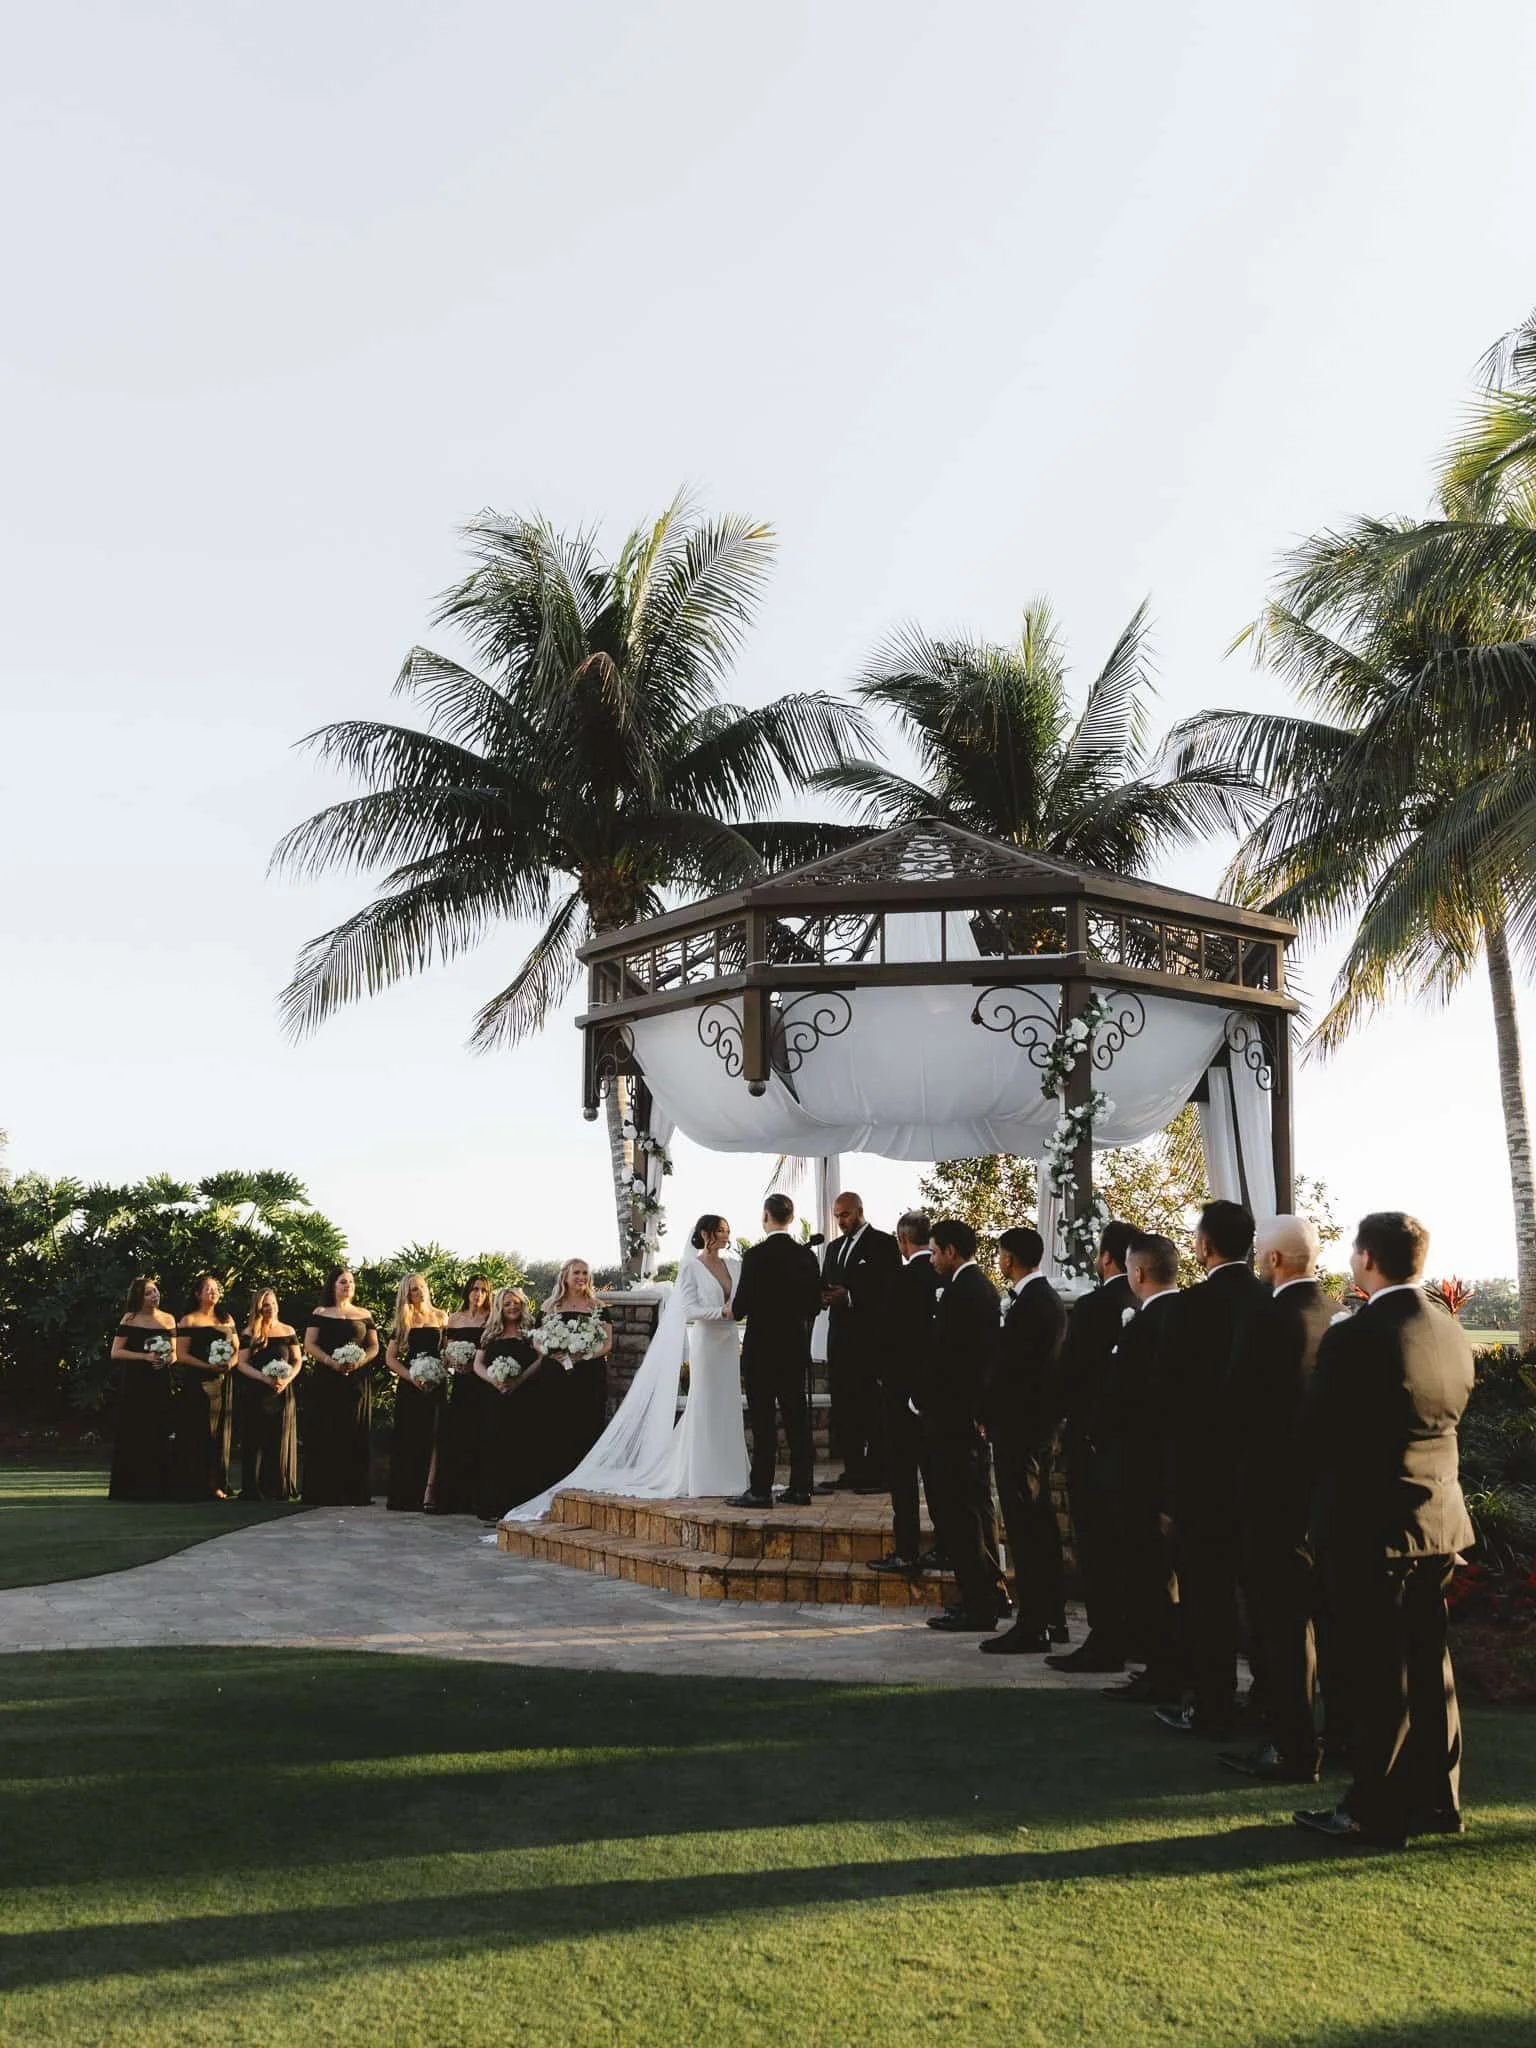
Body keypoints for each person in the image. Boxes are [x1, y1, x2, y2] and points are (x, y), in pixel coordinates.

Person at [1294, 1212, 1475, 1850]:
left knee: (1376, 1671)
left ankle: (1373, 1810)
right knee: (1429, 1663)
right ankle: (1438, 1799)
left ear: (1367, 1258)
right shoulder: (1449, 1328)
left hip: (1371, 1524)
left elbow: (1318, 1430)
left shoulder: (1357, 1335)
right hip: (1438, 1516)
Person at [1218, 1215, 1335, 1785]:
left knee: (1279, 1625)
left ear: (1273, 1260)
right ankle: (1336, 1735)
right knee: (1323, 1621)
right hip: (1326, 1494)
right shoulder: (1336, 1314)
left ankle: (1291, 1746)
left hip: (1270, 1494)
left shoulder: (1266, 1318)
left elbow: (1235, 1408)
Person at [1152, 1199, 1265, 1739]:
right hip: (1261, 1475)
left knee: (1206, 1597)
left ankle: (1212, 1704)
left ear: (1206, 1245)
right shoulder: (1270, 1300)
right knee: (1264, 1600)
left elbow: (1167, 1396)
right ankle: (1267, 1704)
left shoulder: (1190, 1307)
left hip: (1203, 1477)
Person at [1096, 1232, 1186, 1705]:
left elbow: (1121, 1402)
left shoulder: (1143, 1328)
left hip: (1141, 1472)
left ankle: (1162, 1671)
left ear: (1137, 1273)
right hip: (1184, 1469)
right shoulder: (1194, 1317)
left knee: (1149, 1575)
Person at [1046, 1220, 1137, 1673]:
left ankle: (1105, 1642)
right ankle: (1143, 1637)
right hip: (1143, 1449)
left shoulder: (1094, 1306)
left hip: (1094, 1442)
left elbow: (1069, 1373)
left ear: (1106, 1258)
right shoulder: (1150, 1302)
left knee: (1098, 1547)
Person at [916, 1220, 1009, 1632]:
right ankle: (991, 1592)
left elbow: (950, 1360)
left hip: (953, 1419)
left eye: (935, 1251)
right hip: (967, 1417)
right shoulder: (983, 1288)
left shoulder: (960, 1293)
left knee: (960, 1513)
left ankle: (978, 1605)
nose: (931, 1259)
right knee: (978, 1508)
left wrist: (922, 1399)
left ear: (951, 1252)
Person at [981, 1226, 1068, 1656]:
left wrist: (986, 1414)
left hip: (1020, 1430)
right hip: (1038, 1429)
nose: (998, 1260)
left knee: (1025, 1526)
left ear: (1010, 1258)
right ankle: (1052, 1618)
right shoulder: (1045, 1300)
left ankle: (1033, 1625)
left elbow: (1013, 1372)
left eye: (1000, 1253)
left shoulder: (1031, 1305)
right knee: (1040, 1523)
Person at [730, 1194, 822, 1507]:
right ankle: (801, 1488)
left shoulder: (756, 1256)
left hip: (761, 1351)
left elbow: (740, 1307)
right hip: (794, 1349)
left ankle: (760, 1490)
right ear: (791, 1218)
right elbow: (814, 1306)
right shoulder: (806, 1257)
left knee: (763, 1422)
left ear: (765, 1217)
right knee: (797, 1420)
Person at [870, 1210, 943, 1574]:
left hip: (901, 1392)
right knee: (936, 1474)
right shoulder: (944, 1275)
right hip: (937, 1393)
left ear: (902, 1240)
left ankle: (907, 1550)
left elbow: (887, 1335)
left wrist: (882, 1376)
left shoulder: (900, 1279)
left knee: (903, 1474)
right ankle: (945, 1546)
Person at [819, 1191, 901, 1492]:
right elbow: (826, 1281)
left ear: (859, 1211)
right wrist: (823, 1296)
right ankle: (853, 1470)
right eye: (837, 1216)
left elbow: (890, 1289)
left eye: (845, 1215)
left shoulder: (883, 1244)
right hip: (839, 1341)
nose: (841, 1221)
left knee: (871, 1408)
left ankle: (879, 1473)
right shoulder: (833, 1248)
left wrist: (851, 1296)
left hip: (869, 1342)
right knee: (844, 1408)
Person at [671, 1216, 750, 1497]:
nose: (726, 1235)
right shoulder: (691, 1267)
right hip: (706, 1342)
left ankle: (731, 1474)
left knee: (728, 1404)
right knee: (705, 1402)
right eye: (720, 1231)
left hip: (729, 1341)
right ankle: (703, 1476)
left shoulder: (734, 1265)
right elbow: (689, 1310)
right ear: (705, 1234)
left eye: (728, 1231)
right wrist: (720, 1312)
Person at [302, 1268, 379, 1507]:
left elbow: (374, 1346)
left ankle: (355, 1490)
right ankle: (326, 1491)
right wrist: (331, 1362)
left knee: (354, 1431)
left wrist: (358, 1362)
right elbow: (309, 1344)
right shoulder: (321, 1313)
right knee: (328, 1431)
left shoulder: (364, 1314)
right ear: (332, 1286)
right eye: (342, 1282)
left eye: (351, 1282)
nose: (348, 1285)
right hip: (327, 1379)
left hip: (357, 1380)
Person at [471, 1287, 547, 1518]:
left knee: (521, 1448)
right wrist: (494, 1381)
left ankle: (519, 1502)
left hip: (524, 1398)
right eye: (507, 1304)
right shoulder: (490, 1334)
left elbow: (542, 1359)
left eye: (516, 1303)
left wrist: (519, 1380)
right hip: (494, 1398)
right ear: (499, 1308)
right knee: (494, 1448)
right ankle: (493, 1504)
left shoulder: (530, 1334)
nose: (512, 1307)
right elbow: (477, 1364)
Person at [540, 1258, 615, 1472]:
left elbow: (607, 1344)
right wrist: (550, 1352)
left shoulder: (598, 1307)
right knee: (556, 1422)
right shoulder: (550, 1305)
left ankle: (584, 1474)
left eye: (585, 1273)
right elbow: (537, 1339)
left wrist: (584, 1356)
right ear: (565, 1276)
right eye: (577, 1273)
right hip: (556, 1373)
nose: (581, 1277)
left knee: (586, 1422)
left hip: (588, 1374)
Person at [171, 1275, 239, 1500]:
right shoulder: (188, 1320)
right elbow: (181, 1355)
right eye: (208, 1289)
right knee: (198, 1432)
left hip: (223, 1382)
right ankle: (193, 1484)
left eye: (215, 1288)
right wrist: (208, 1366)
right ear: (197, 1294)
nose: (213, 1292)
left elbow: (237, 1348)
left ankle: (216, 1483)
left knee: (219, 1434)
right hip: (197, 1383)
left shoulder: (226, 1318)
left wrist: (229, 1363)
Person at [108, 1277, 176, 1500]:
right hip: (135, 1381)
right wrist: (144, 1357)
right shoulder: (130, 1318)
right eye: (148, 1293)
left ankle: (158, 1487)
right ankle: (130, 1488)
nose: (154, 1295)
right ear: (138, 1297)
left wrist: (166, 1360)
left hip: (160, 1380)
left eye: (155, 1291)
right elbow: (116, 1352)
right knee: (134, 1430)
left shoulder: (168, 1319)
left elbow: (175, 1353)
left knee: (159, 1429)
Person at [385, 1272, 447, 1511]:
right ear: (406, 1294)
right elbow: (391, 1358)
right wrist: (412, 1376)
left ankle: (430, 1492)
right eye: (414, 1289)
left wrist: (438, 1371)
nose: (420, 1292)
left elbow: (446, 1351)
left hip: (436, 1383)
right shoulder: (404, 1319)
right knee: (410, 1437)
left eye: (422, 1286)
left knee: (435, 1435)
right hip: (410, 1385)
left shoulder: (441, 1316)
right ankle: (407, 1493)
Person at [434, 1275, 495, 1515]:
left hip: (483, 1383)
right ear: (467, 1292)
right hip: (461, 1384)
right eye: (474, 1289)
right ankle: (456, 1497)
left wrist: (474, 1365)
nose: (478, 1294)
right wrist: (455, 1362)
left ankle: (479, 1496)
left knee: (482, 1436)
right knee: (459, 1436)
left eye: (483, 1290)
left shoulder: (491, 1319)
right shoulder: (455, 1319)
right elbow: (447, 1351)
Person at [234, 1287, 301, 1502]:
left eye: (272, 1303)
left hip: (282, 1391)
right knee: (254, 1439)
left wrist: (286, 1380)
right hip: (256, 1392)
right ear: (258, 1308)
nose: (270, 1308)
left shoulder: (288, 1330)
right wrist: (264, 1378)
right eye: (265, 1305)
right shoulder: (249, 1333)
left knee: (278, 1439)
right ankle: (253, 1488)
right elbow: (241, 1363)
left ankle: (278, 1487)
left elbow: (297, 1360)